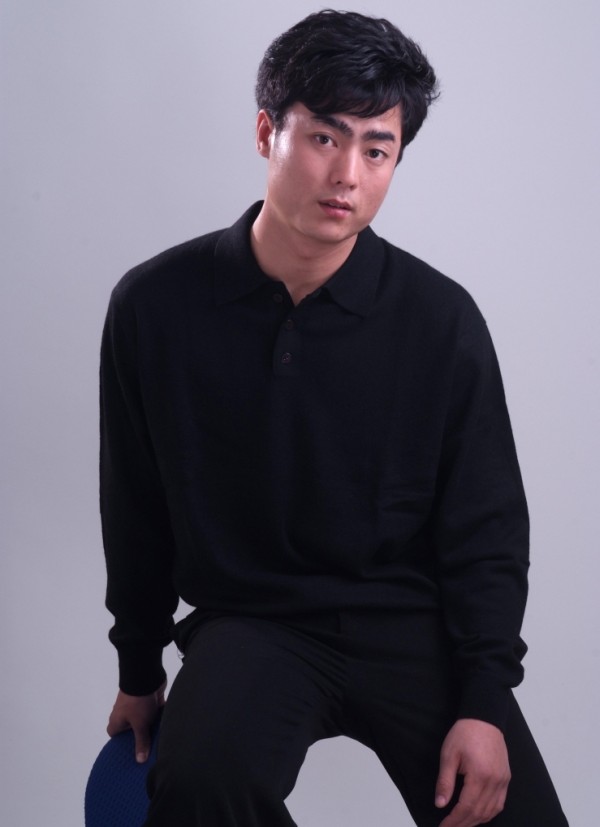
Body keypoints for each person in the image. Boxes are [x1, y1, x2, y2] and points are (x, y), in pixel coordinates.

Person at [100, 10, 568, 826]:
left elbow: (487, 528)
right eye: (324, 137)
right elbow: (134, 506)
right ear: (266, 133)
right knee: (198, 782)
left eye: (377, 149)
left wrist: (485, 700)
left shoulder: (440, 320)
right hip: (252, 622)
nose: (347, 174)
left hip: (410, 623)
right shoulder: (155, 305)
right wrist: (139, 670)